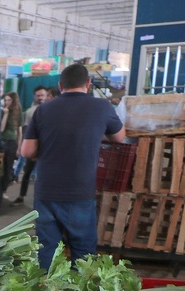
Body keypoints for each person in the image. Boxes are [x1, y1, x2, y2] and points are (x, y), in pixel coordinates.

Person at [20, 63, 126, 267]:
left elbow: (26, 151)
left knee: (47, 250)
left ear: (60, 85)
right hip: (79, 192)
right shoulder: (102, 107)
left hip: (46, 192)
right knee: (83, 252)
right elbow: (120, 138)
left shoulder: (43, 110)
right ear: (88, 83)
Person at [12, 85, 50, 204]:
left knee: (43, 175)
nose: (40, 98)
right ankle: (21, 196)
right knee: (27, 172)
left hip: (47, 149)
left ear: (47, 96)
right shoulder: (30, 112)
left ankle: (43, 200)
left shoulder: (51, 110)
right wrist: (23, 147)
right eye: (38, 95)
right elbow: (27, 131)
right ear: (34, 96)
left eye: (42, 95)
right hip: (34, 148)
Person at [0, 91, 22, 189]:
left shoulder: (18, 112)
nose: (7, 102)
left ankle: (3, 189)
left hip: (12, 141)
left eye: (9, 100)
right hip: (2, 140)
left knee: (8, 165)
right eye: (5, 100)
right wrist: (5, 114)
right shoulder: (4, 111)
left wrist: (19, 147)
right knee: (0, 165)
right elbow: (1, 128)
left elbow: (19, 131)